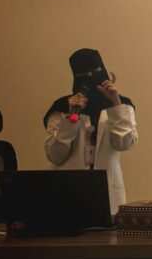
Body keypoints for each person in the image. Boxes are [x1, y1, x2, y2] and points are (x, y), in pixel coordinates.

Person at [43, 48, 138, 214]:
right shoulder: (61, 108)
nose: (90, 77)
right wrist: (71, 118)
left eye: (96, 71)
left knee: (107, 229)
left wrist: (116, 103)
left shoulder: (121, 106)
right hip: (67, 191)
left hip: (108, 191)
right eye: (83, 74)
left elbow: (123, 143)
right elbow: (55, 155)